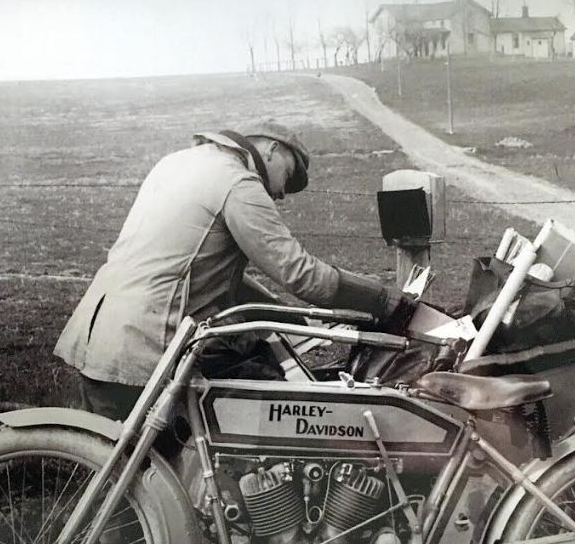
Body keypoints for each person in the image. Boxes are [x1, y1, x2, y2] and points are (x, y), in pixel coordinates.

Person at [54, 120, 413, 422]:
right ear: (271, 149)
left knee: (123, 471)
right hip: (147, 349)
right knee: (276, 413)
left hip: (100, 337)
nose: (280, 194)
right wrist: (384, 300)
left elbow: (195, 268)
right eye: (287, 176)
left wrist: (279, 312)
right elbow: (302, 276)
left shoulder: (177, 162)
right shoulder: (238, 182)